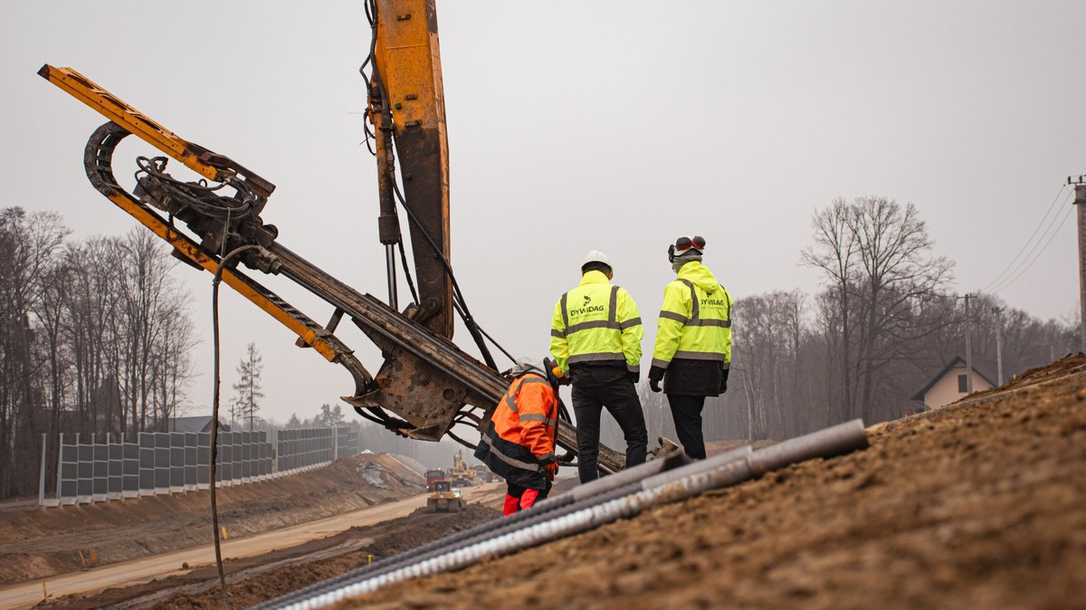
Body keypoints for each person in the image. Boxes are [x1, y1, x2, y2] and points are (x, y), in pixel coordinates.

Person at [550, 250, 648, 483]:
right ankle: (631, 490)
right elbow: (632, 334)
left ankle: (590, 497)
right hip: (615, 377)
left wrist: (568, 371)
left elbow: (558, 343)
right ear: (609, 273)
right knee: (636, 437)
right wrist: (632, 368)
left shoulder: (565, 301)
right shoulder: (618, 295)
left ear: (583, 273)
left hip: (582, 381)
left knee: (587, 447)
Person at [648, 236, 732, 460]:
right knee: (693, 421)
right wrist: (724, 371)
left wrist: (657, 369)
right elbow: (726, 336)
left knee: (688, 425)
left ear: (677, 261)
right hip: (711, 369)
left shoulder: (678, 288)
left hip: (684, 370)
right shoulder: (721, 291)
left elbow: (669, 333)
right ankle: (697, 463)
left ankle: (699, 468)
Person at [474, 358, 563, 515]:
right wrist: (546, 457)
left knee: (517, 489)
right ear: (559, 371)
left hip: (509, 444)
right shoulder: (537, 386)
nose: (567, 384)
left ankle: (509, 526)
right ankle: (528, 527)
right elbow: (532, 428)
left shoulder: (534, 380)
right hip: (515, 447)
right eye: (568, 379)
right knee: (537, 485)